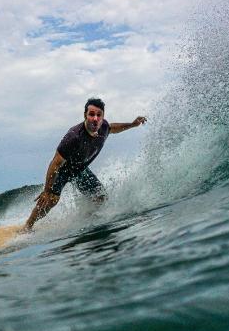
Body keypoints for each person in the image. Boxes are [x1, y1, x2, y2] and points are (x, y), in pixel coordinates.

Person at [24, 98, 147, 231]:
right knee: (50, 200)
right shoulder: (73, 137)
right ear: (85, 115)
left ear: (103, 117)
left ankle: (85, 220)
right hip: (63, 171)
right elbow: (55, 164)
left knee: (100, 197)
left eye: (99, 115)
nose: (95, 118)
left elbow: (113, 128)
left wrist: (133, 124)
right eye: (91, 114)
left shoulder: (104, 127)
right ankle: (27, 227)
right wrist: (46, 191)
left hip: (80, 170)